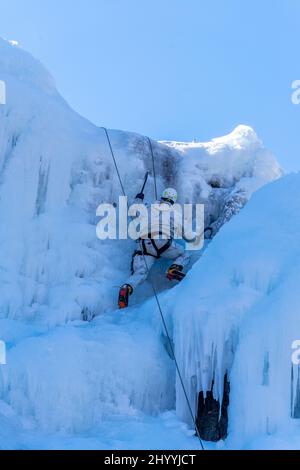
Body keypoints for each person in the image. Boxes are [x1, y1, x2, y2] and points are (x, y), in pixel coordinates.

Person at [118, 187, 197, 309]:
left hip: (143, 244)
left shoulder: (148, 207)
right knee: (184, 254)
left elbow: (133, 211)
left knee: (140, 273)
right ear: (173, 201)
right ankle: (173, 268)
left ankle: (127, 288)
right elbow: (189, 237)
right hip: (162, 242)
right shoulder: (174, 213)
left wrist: (138, 199)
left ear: (162, 196)